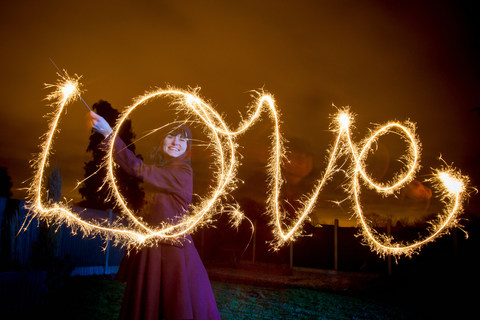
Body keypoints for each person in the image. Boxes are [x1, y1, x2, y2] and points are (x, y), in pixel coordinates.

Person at [88, 111, 221, 320]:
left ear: (188, 147)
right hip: (152, 248)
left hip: (171, 254)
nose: (175, 142)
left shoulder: (183, 173)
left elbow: (136, 167)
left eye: (182, 138)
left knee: (172, 307)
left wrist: (109, 133)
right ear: (162, 141)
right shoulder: (163, 170)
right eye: (170, 136)